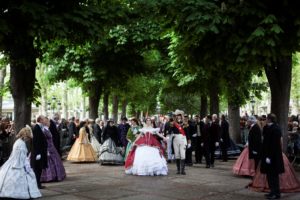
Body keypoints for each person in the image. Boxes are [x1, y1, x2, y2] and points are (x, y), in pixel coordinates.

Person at [0, 126, 42, 199]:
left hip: (14, 162)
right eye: (28, 137)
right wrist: (26, 165)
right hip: (18, 164)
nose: (28, 139)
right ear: (25, 136)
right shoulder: (21, 144)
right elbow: (20, 158)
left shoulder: (18, 141)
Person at [260, 114, 284, 199]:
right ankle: (272, 192)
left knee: (274, 176)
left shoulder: (275, 129)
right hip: (268, 155)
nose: (265, 120)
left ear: (269, 119)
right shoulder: (268, 128)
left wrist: (269, 157)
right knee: (269, 175)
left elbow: (274, 145)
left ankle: (276, 193)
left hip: (273, 157)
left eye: (266, 119)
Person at [41, 118, 66, 182]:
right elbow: (44, 141)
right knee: (49, 162)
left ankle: (55, 175)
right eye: (49, 122)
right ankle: (48, 176)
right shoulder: (44, 130)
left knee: (54, 161)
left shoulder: (47, 129)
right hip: (48, 148)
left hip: (52, 148)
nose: (50, 123)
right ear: (46, 123)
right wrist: (46, 150)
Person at [31, 115, 48, 189]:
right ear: (40, 120)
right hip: (38, 152)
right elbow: (36, 142)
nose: (45, 121)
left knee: (39, 169)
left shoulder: (40, 127)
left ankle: (38, 183)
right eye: (44, 119)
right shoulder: (36, 128)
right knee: (37, 169)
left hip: (41, 152)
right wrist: (38, 153)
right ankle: (37, 184)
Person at [171, 111, 190, 175]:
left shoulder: (185, 124)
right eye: (177, 116)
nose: (179, 118)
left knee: (183, 155)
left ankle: (183, 170)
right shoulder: (173, 124)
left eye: (180, 116)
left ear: (182, 117)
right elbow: (170, 131)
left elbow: (187, 133)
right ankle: (178, 170)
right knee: (177, 155)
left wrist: (189, 140)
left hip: (182, 139)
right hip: (175, 139)